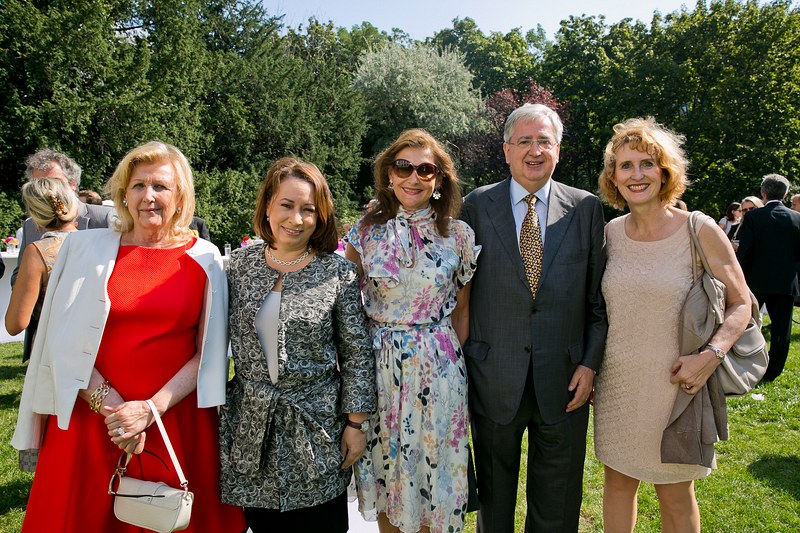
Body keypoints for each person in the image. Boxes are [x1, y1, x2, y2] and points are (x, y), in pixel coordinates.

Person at [11, 141, 247, 532]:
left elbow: (207, 353)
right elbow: (60, 341)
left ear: (180, 195)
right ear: (123, 193)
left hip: (174, 420)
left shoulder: (205, 257)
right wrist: (114, 410)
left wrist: (149, 410)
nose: (148, 196)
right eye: (138, 185)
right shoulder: (82, 249)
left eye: (161, 186)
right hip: (92, 423)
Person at [594, 117, 750, 533]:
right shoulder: (610, 234)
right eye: (625, 166)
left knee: (676, 494)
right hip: (617, 386)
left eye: (647, 163)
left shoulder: (699, 229)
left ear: (665, 171)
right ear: (613, 176)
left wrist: (710, 356)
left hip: (678, 385)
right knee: (618, 483)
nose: (637, 174)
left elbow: (742, 304)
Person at [461, 103, 607, 532]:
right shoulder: (475, 205)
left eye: (544, 141)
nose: (534, 150)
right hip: (491, 376)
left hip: (565, 380)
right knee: (494, 500)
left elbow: (597, 301)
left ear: (558, 149)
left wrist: (590, 364)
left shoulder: (585, 207)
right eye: (523, 141)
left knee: (557, 501)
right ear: (506, 150)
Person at [219, 157, 375, 533]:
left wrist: (356, 423)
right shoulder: (236, 267)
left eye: (309, 209)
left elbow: (356, 353)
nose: (297, 218)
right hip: (253, 430)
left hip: (316, 431)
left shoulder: (337, 273)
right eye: (286, 205)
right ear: (267, 207)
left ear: (320, 216)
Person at [346, 129, 480, 533]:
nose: (413, 177)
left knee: (432, 474)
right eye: (403, 167)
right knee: (387, 471)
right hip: (379, 369)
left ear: (439, 179)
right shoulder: (365, 231)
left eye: (425, 169)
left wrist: (443, 365)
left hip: (438, 372)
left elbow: (462, 314)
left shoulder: (458, 235)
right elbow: (347, 310)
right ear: (389, 174)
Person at [12, 148, 116, 363]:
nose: (47, 191)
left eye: (53, 183)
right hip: (48, 338)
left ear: (73, 184)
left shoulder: (106, 219)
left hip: (98, 341)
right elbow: (19, 274)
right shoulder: (30, 227)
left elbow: (14, 324)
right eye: (39, 184)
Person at [736, 174, 800, 381]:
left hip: (756, 281)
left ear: (763, 193)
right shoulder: (797, 218)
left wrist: (740, 279)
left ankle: (744, 364)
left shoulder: (754, 217)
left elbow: (745, 252)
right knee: (782, 331)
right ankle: (772, 372)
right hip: (785, 282)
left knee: (746, 325)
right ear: (785, 194)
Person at [5, 179, 77, 341]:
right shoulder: (97, 243)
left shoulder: (38, 252)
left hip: (54, 345)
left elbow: (15, 324)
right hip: (96, 346)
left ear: (34, 215)